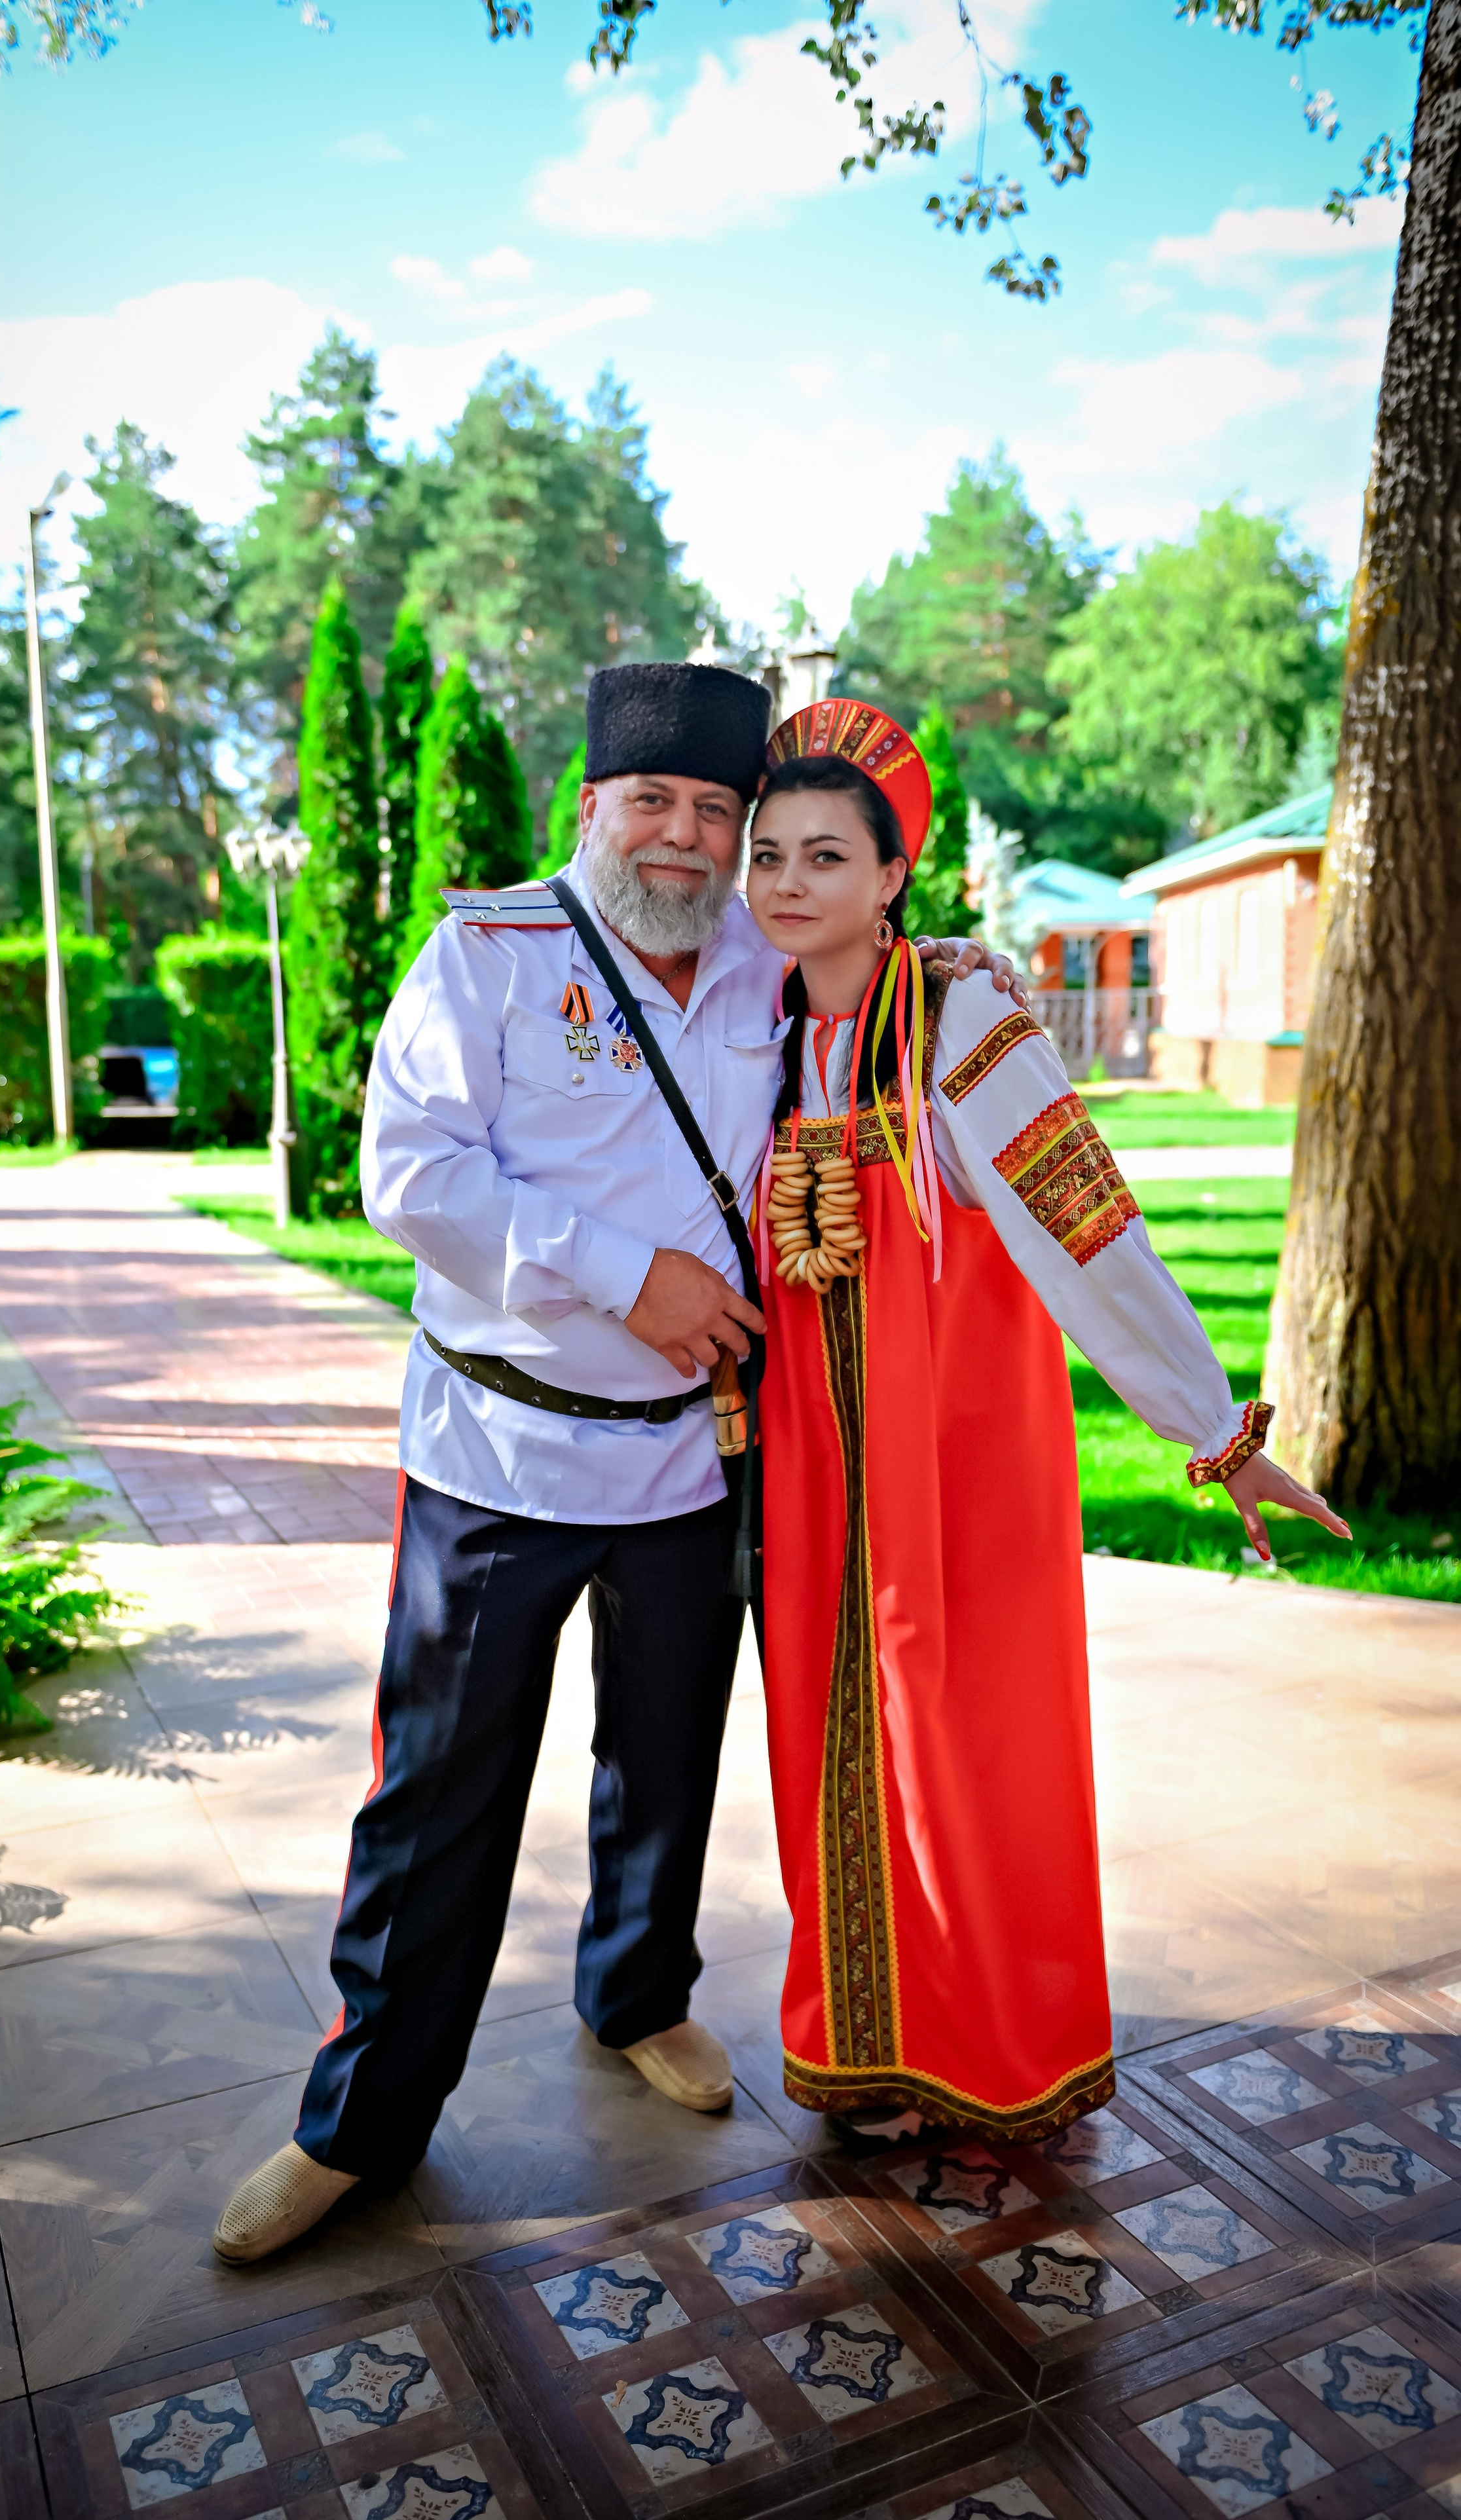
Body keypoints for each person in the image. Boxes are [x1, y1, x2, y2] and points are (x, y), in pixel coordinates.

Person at [212, 661, 1024, 2262]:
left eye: (716, 810)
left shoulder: (760, 960)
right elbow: (409, 1173)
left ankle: (636, 1997)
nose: (684, 836)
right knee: (441, 1799)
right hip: (497, 1449)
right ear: (588, 806)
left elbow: (877, 1006)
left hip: (691, 1459)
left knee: (665, 1760)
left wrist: (949, 970)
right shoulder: (487, 951)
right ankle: (359, 2124)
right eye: (650, 799)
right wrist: (618, 1268)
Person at [744, 698, 1350, 2144]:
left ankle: (985, 2040)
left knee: (952, 1733)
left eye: (827, 855)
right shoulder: (746, 1020)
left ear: (895, 875)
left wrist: (1208, 1428)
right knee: (825, 1733)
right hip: (809, 1466)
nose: (784, 882)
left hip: (943, 1458)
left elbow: (1089, 1235)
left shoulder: (960, 1020)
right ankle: (863, 2037)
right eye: (767, 852)